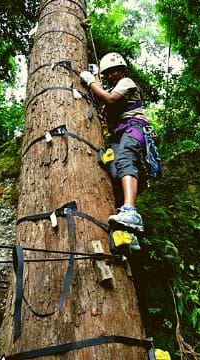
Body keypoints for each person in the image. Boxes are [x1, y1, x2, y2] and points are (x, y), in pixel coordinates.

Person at [80, 52, 146, 241]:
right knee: (115, 174)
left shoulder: (127, 83)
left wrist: (91, 82)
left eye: (114, 71)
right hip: (119, 136)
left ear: (122, 70)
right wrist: (95, 82)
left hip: (134, 129)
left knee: (125, 159)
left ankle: (130, 211)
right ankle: (128, 233)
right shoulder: (113, 90)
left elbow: (109, 99)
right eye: (107, 73)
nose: (111, 76)